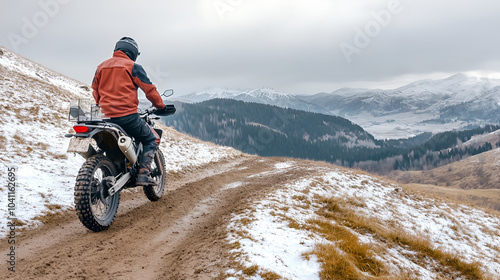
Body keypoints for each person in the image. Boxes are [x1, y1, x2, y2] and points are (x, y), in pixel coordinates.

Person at [91, 37, 169, 186]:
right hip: (127, 117)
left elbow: (95, 90)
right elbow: (149, 90)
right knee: (150, 139)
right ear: (133, 52)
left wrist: (101, 105)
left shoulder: (101, 67)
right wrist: (161, 106)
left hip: (105, 118)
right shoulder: (133, 67)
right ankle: (143, 175)